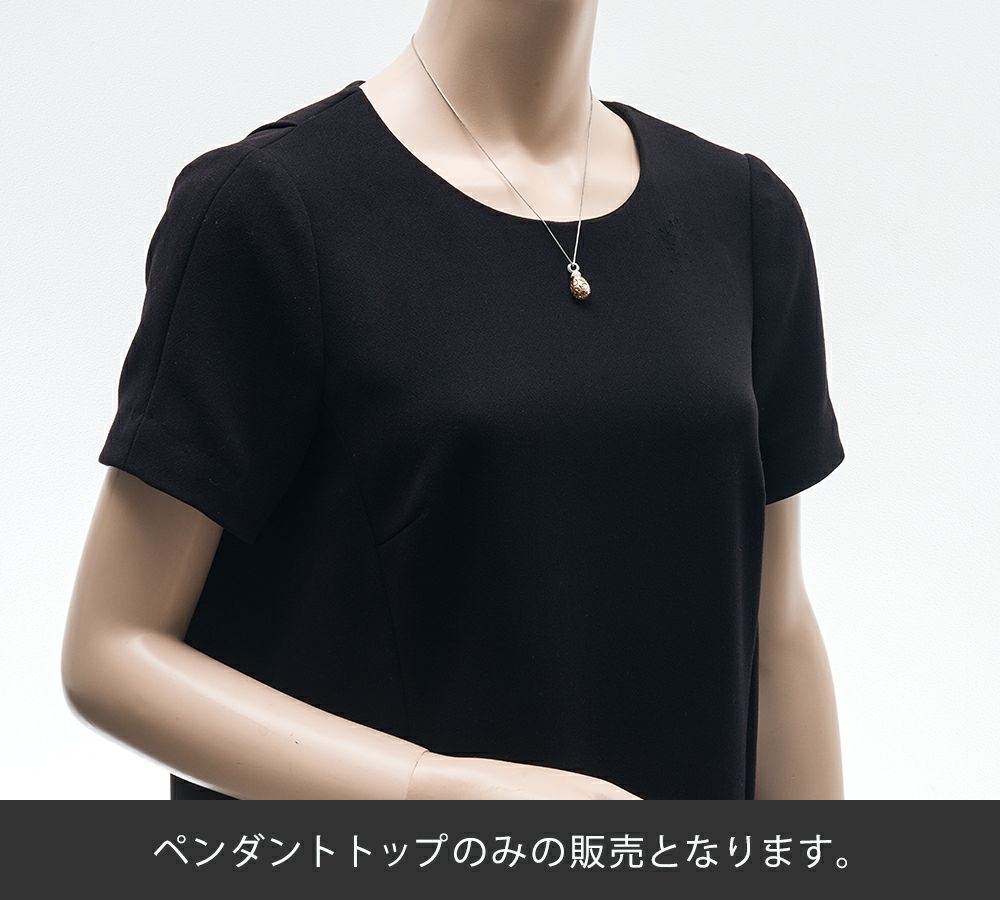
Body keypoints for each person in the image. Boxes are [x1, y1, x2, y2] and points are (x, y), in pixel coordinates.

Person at [62, 0, 847, 800]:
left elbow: (777, 629)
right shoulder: (269, 210)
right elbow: (111, 649)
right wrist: (435, 794)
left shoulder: (743, 216)